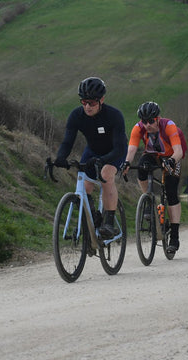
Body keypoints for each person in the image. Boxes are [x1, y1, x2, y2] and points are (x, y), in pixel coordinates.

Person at [54, 77, 127, 239]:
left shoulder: (114, 116)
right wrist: (60, 157)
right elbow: (67, 141)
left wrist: (104, 160)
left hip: (115, 151)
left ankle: (108, 222)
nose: (87, 106)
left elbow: (119, 148)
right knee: (85, 183)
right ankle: (91, 219)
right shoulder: (76, 115)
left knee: (106, 175)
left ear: (102, 100)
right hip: (93, 151)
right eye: (84, 102)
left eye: (92, 103)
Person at [122, 101, 184, 254]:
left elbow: (179, 151)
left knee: (170, 190)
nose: (147, 125)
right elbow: (132, 149)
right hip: (152, 155)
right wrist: (126, 163)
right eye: (144, 121)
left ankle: (174, 236)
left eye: (151, 121)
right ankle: (148, 199)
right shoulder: (138, 128)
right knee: (141, 167)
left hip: (172, 156)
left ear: (158, 118)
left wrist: (171, 161)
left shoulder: (169, 125)